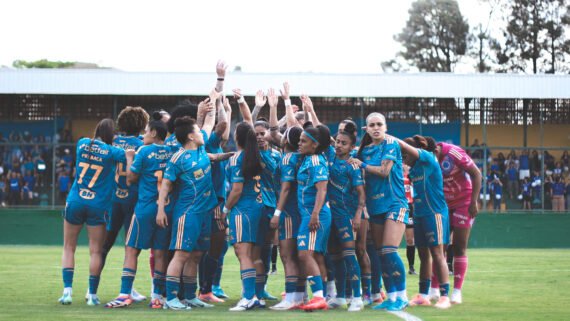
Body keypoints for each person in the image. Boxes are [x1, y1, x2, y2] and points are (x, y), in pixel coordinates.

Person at [157, 116, 232, 310]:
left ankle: (190, 296)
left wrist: (237, 154)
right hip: (187, 213)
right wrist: (161, 210)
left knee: (197, 255)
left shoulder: (201, 151)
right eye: (198, 132)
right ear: (191, 136)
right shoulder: (178, 158)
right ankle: (171, 299)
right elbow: (166, 185)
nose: (202, 133)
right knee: (181, 254)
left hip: (205, 212)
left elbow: (214, 156)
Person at [105, 120, 174, 308]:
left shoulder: (143, 151)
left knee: (131, 249)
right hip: (166, 208)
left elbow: (131, 179)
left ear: (153, 132)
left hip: (145, 208)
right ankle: (157, 297)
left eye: (146, 131)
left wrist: (129, 158)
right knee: (160, 253)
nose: (143, 135)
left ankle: (124, 294)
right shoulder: (171, 151)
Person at [59, 119, 128, 306]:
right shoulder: (113, 152)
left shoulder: (82, 144)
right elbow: (129, 156)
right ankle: (92, 295)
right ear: (111, 135)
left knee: (68, 247)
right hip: (98, 204)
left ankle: (67, 292)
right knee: (96, 251)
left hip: (76, 200)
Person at [349, 112, 409, 311]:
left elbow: (384, 172)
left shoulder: (391, 144)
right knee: (381, 254)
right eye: (372, 125)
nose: (376, 128)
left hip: (395, 204)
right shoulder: (363, 151)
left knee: (390, 250)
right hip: (375, 208)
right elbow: (342, 150)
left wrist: (363, 165)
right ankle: (391, 297)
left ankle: (402, 295)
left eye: (379, 124)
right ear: (366, 129)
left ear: (385, 127)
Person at [396, 135, 451, 309]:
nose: (404, 158)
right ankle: (423, 295)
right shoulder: (413, 170)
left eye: (405, 155)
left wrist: (386, 136)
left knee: (437, 254)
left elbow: (406, 146)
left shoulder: (428, 159)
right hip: (419, 214)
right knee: (423, 256)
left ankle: (444, 296)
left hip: (435, 213)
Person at [100, 106, 149, 302]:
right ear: (142, 124)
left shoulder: (112, 142)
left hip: (113, 197)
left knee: (105, 244)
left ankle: (91, 287)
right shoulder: (141, 145)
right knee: (131, 247)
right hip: (133, 198)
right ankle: (127, 288)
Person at [430, 140, 482, 304]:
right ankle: (434, 289)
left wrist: (473, 202)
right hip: (443, 204)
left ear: (437, 150)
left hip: (463, 202)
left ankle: (457, 292)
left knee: (459, 246)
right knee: (440, 247)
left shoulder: (454, 152)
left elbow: (476, 174)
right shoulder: (425, 158)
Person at [224, 121, 264, 312]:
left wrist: (225, 209)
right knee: (253, 254)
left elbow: (236, 190)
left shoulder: (237, 158)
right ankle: (255, 295)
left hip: (242, 209)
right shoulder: (256, 155)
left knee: (243, 253)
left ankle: (248, 297)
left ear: (237, 137)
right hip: (258, 207)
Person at [325, 129, 366, 312]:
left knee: (349, 254)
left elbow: (361, 194)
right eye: (338, 142)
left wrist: (357, 214)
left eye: (343, 143)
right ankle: (340, 296)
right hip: (331, 214)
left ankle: (356, 298)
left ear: (351, 147)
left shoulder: (353, 166)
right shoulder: (330, 158)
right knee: (335, 257)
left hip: (346, 215)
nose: (338, 145)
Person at [295, 125, 332, 311]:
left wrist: (315, 214)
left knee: (304, 254)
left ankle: (318, 297)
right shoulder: (308, 159)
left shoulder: (316, 161)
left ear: (315, 144)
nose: (299, 143)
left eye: (303, 141)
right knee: (316, 256)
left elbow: (322, 189)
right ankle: (321, 297)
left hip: (314, 214)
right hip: (310, 213)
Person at [403, 164, 417, 275]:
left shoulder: (411, 177)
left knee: (410, 240)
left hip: (409, 207)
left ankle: (411, 267)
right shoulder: (394, 174)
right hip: (395, 206)